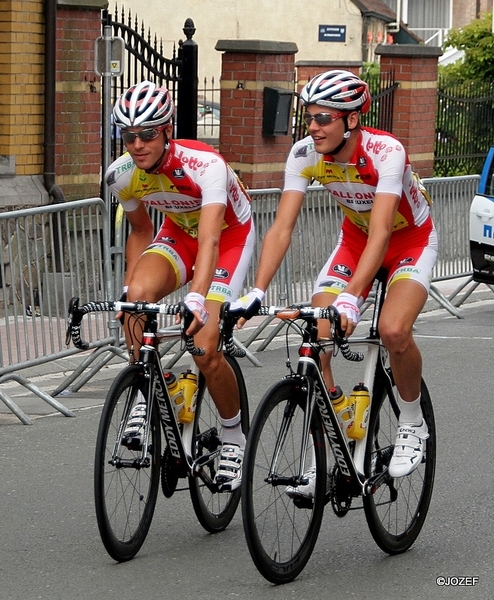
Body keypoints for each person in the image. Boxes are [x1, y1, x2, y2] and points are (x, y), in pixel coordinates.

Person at [233, 69, 437, 488]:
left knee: (393, 330)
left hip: (408, 241)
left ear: (352, 119)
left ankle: (413, 422)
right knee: (318, 332)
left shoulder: (386, 152)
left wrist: (352, 297)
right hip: (354, 242)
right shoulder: (305, 154)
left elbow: (383, 232)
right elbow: (282, 228)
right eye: (309, 117)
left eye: (324, 118)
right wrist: (256, 290)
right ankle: (326, 453)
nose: (313, 127)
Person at [105, 81, 255, 491]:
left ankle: (233, 436)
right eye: (129, 136)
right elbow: (139, 232)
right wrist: (130, 288)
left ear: (167, 129)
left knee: (205, 348)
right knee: (136, 299)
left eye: (148, 134)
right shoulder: (121, 176)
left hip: (227, 239)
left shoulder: (205, 165)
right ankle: (146, 384)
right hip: (178, 234)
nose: (137, 144)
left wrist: (196, 298)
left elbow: (209, 239)